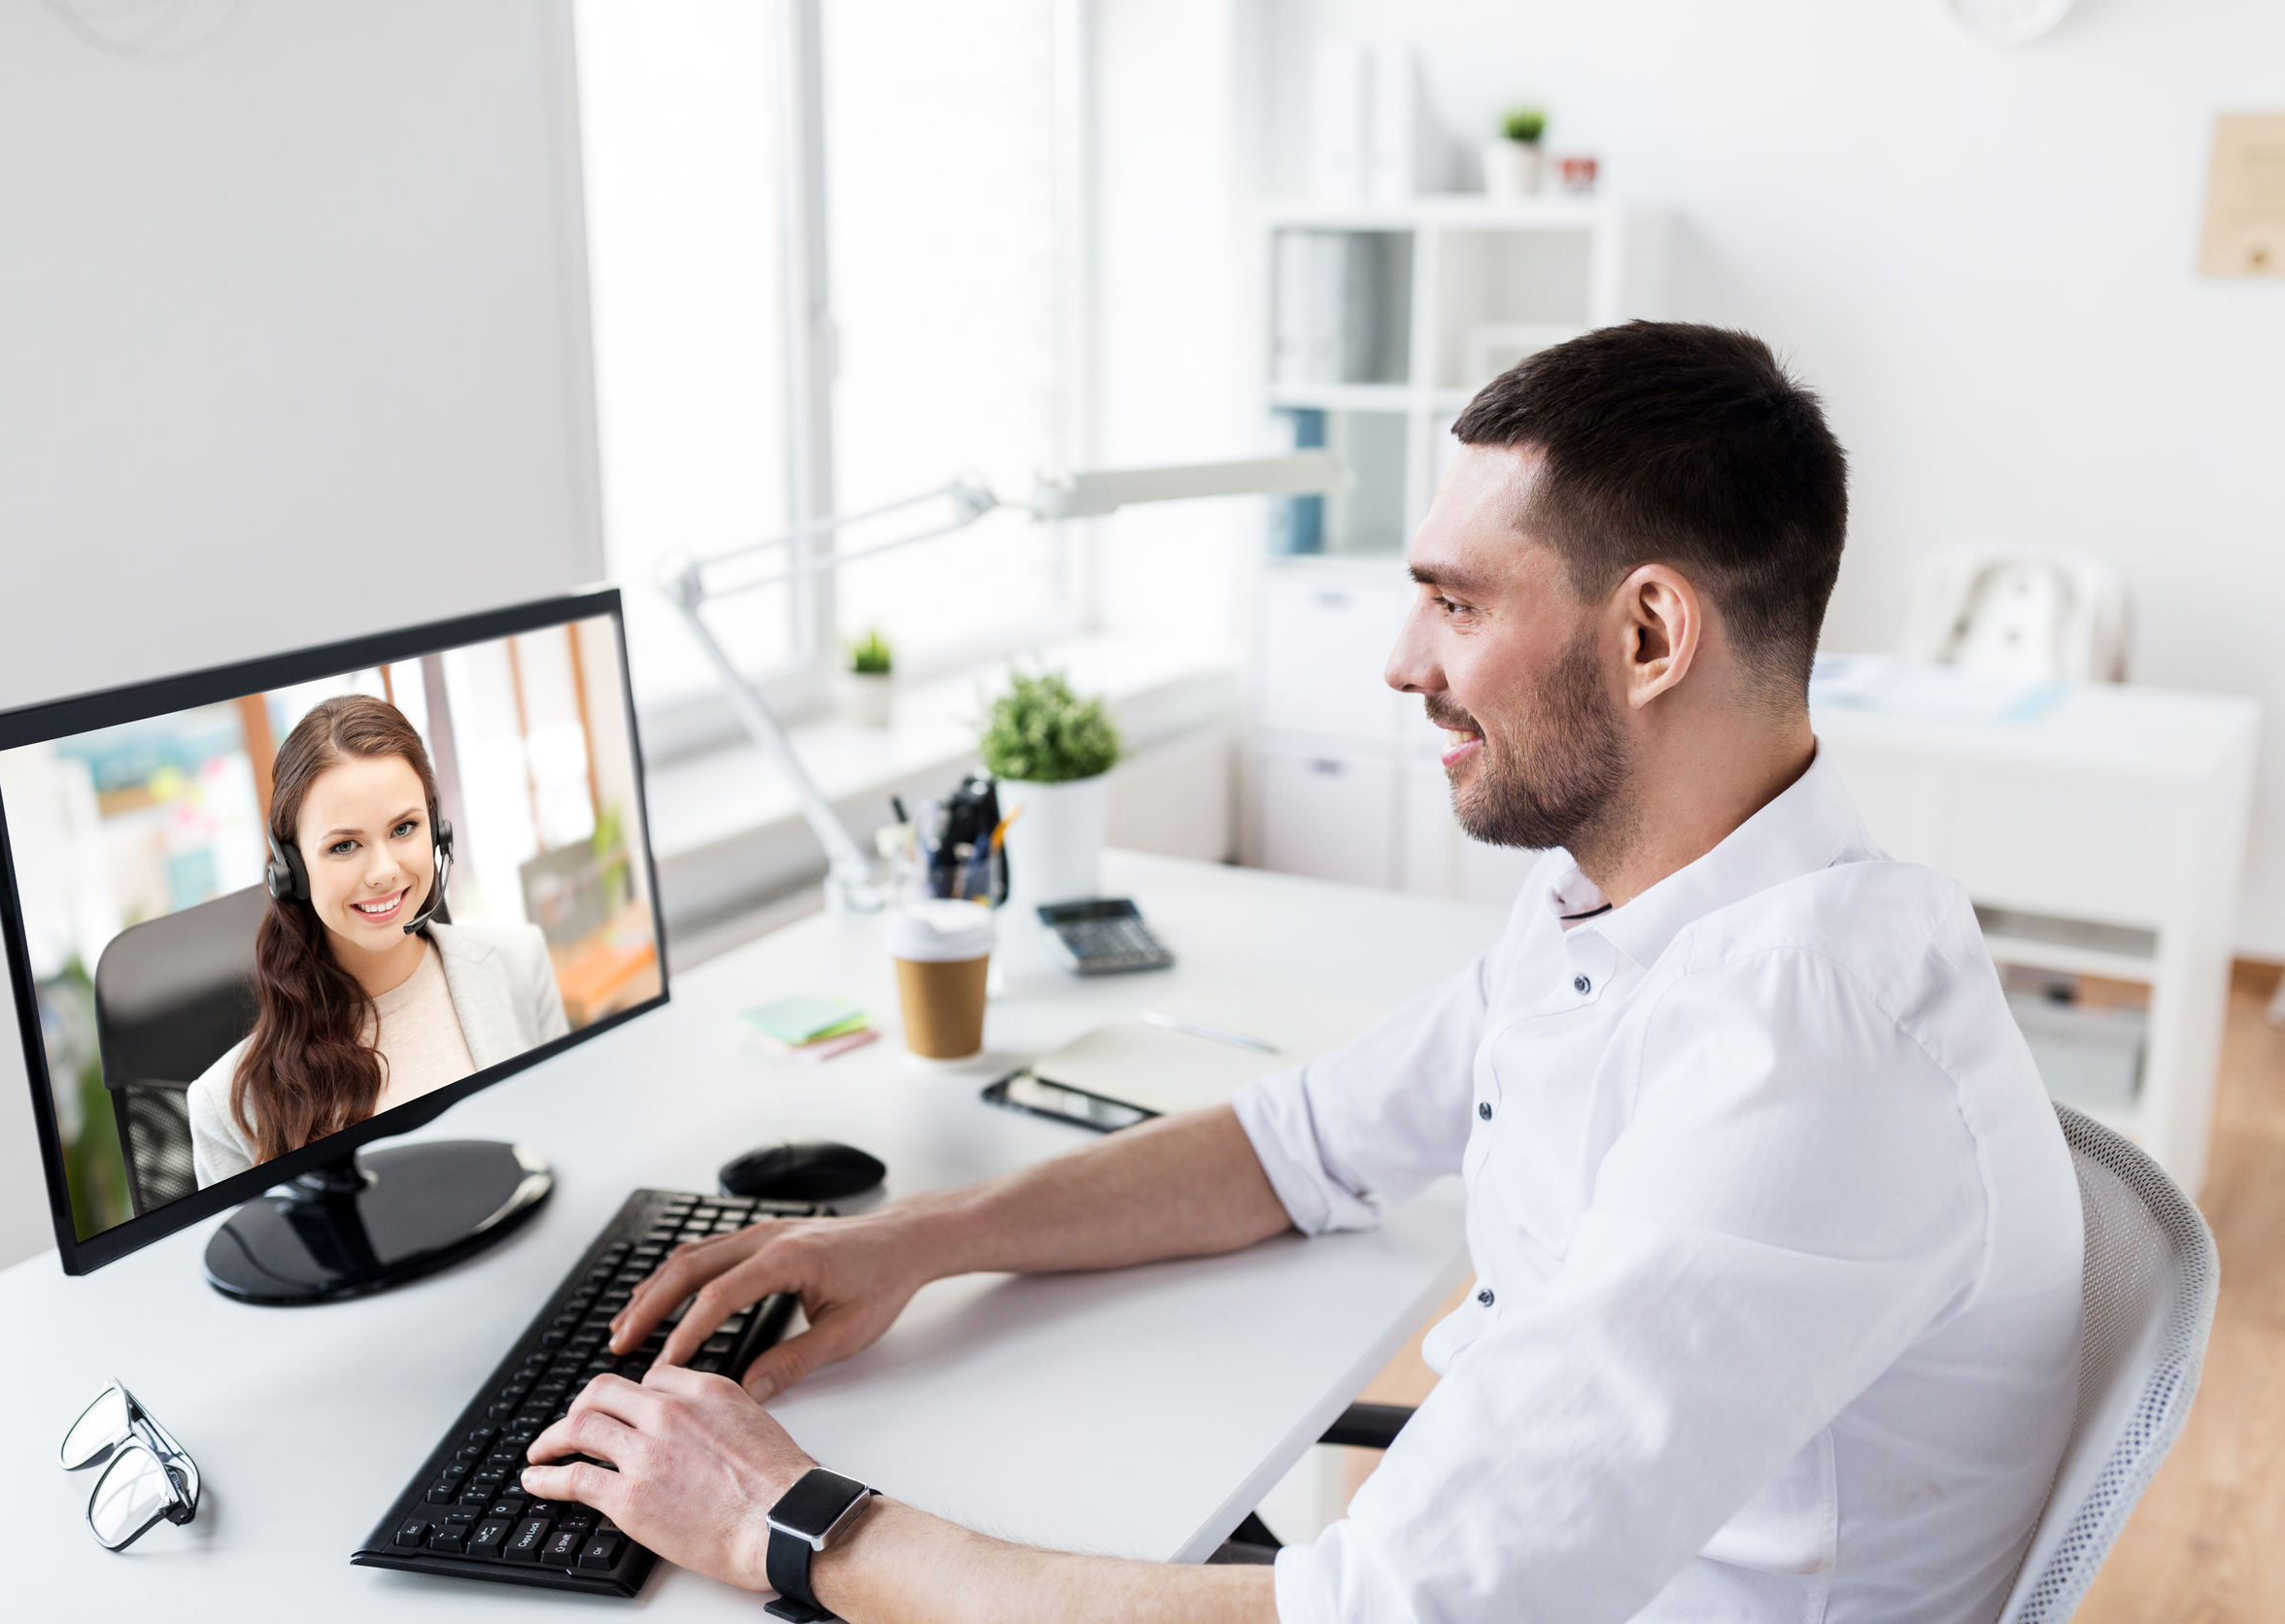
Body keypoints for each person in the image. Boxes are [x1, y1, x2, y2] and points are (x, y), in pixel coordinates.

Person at [517, 323, 2084, 1624]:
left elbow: (1377, 1618)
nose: (1402, 660)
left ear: (1650, 633)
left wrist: (792, 1526)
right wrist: (921, 1240)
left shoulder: (1805, 1055)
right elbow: (1301, 1142)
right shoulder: (1626, 899)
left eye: (1456, 601)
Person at [187, 695, 567, 1186]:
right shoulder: (226, 1106)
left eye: (404, 828)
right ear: (292, 868)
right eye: (344, 845)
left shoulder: (520, 963)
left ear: (438, 833)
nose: (384, 872)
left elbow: (572, 1152)